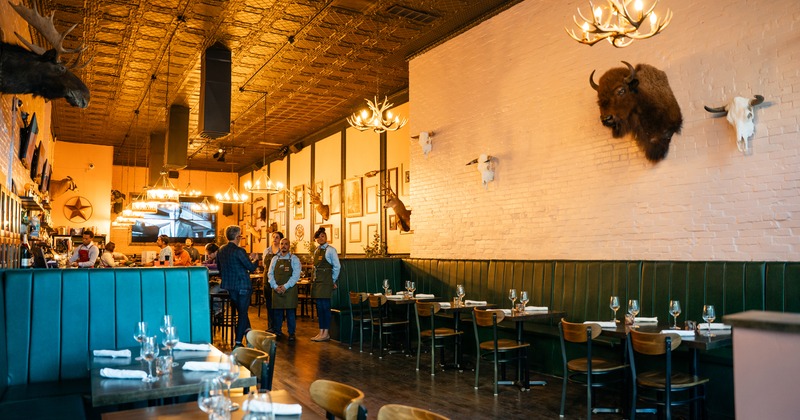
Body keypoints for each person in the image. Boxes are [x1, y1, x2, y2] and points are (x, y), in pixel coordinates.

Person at [216, 225, 257, 348]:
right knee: (243, 313)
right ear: (237, 236)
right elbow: (251, 268)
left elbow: (219, 268)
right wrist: (256, 260)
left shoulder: (221, 250)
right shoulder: (239, 251)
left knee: (241, 311)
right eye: (240, 235)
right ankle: (238, 342)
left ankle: (249, 336)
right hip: (243, 285)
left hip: (229, 286)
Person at [267, 237, 301, 341]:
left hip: (289, 289)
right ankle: (277, 331)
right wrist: (275, 286)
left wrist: (285, 286)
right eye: (282, 244)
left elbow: (296, 275)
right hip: (276, 289)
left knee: (290, 312)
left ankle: (291, 333)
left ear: (289, 246)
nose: (283, 246)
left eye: (286, 244)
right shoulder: (274, 259)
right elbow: (270, 273)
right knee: (277, 312)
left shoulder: (294, 259)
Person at [311, 227, 340, 342]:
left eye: (323, 236)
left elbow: (337, 266)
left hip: (326, 282)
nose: (320, 238)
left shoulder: (331, 250)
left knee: (325, 307)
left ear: (326, 237)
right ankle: (321, 331)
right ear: (316, 239)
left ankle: (326, 332)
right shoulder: (316, 250)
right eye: (318, 237)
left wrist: (332, 280)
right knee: (319, 307)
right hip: (318, 282)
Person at [262, 231, 284, 333]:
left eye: (277, 237)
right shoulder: (266, 251)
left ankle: (278, 327)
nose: (275, 239)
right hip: (267, 280)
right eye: (273, 237)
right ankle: (270, 326)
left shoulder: (282, 251)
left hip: (278, 280)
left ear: (280, 240)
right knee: (269, 304)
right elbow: (264, 265)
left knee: (278, 304)